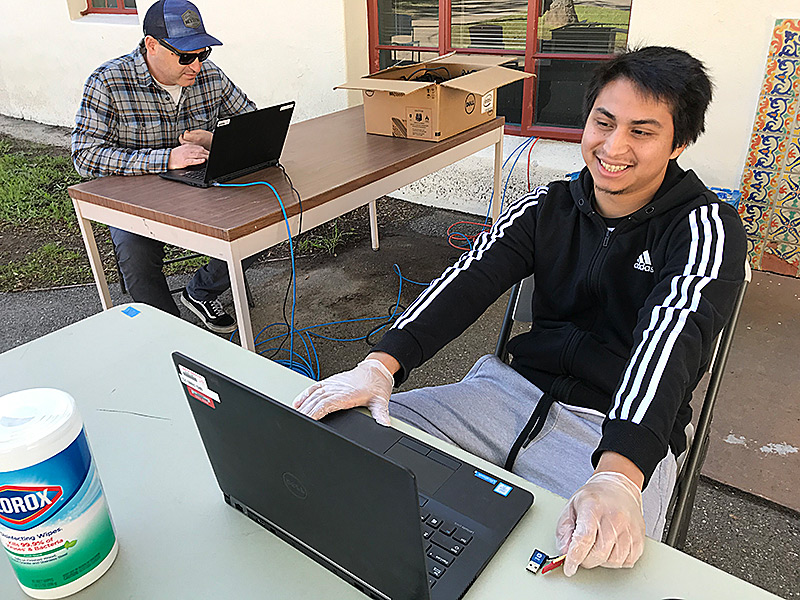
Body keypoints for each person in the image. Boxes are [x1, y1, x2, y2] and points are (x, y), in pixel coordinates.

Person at [293, 47, 747, 576]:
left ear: (679, 143)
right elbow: (466, 280)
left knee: (594, 565)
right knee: (348, 437)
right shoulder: (545, 206)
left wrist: (620, 474)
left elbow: (672, 339)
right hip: (504, 395)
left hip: (616, 434)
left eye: (642, 132)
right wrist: (379, 366)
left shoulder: (706, 228)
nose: (614, 146)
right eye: (603, 122)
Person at [72, 0, 257, 334]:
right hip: (137, 198)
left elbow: (251, 122)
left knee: (265, 223)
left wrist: (214, 141)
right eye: (186, 57)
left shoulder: (209, 75)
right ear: (152, 46)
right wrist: (166, 158)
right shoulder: (108, 82)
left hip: (201, 189)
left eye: (203, 54)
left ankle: (201, 291)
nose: (197, 66)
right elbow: (85, 155)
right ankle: (171, 334)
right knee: (134, 252)